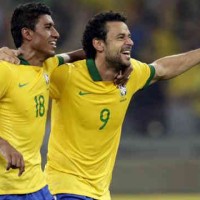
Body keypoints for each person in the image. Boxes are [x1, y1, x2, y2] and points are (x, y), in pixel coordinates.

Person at [2, 11, 200, 200]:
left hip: (101, 192)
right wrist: (11, 55)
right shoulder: (65, 75)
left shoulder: (132, 74)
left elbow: (163, 69)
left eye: (129, 37)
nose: (130, 42)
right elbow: (31, 70)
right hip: (65, 187)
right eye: (120, 37)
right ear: (99, 44)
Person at [0, 2, 85, 200]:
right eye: (48, 27)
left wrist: (120, 62)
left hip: (38, 186)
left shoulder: (48, 65)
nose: (56, 33)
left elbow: (74, 55)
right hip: (6, 189)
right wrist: (3, 145)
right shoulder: (5, 70)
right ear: (27, 34)